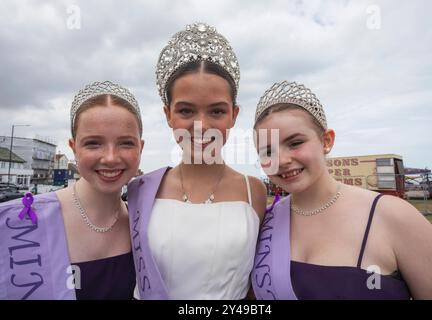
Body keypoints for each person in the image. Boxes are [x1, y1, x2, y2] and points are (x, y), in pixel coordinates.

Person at [251, 81, 432, 299]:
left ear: (327, 141)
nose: (282, 160)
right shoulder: (265, 222)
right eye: (267, 151)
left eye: (295, 143)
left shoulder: (394, 217)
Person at [127, 22, 267, 300]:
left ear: (234, 115)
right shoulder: (140, 190)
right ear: (168, 114)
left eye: (216, 111)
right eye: (186, 111)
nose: (201, 126)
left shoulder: (256, 192)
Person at [0, 81, 144, 299]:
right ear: (73, 147)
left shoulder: (144, 226)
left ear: (141, 147)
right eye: (93, 143)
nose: (111, 158)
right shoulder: (17, 222)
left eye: (126, 143)